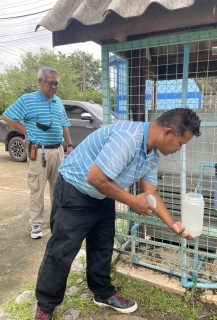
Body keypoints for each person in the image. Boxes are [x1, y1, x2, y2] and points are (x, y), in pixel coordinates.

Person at [34, 108, 201, 319]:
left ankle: (102, 292)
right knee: (61, 251)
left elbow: (151, 194)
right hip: (75, 191)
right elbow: (95, 179)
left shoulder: (152, 154)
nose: (179, 149)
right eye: (180, 143)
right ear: (167, 132)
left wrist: (173, 225)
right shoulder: (128, 138)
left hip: (104, 194)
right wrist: (132, 201)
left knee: (102, 247)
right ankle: (46, 305)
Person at [2, 67, 73, 239]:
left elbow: (65, 125)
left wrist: (69, 145)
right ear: (40, 82)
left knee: (58, 188)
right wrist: (27, 131)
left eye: (56, 84)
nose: (54, 87)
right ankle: (35, 224)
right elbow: (7, 116)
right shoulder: (28, 100)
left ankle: (57, 222)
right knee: (37, 189)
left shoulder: (58, 102)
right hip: (38, 151)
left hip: (57, 151)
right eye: (51, 83)